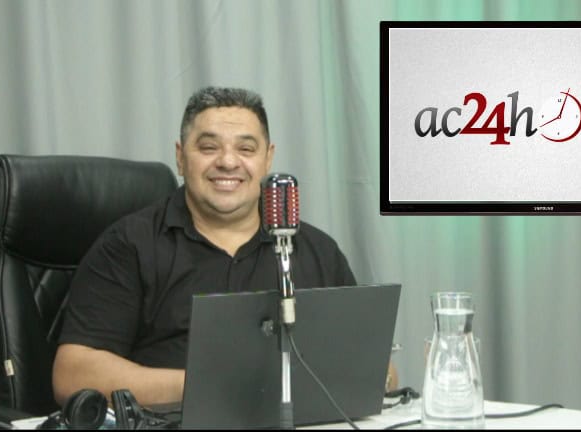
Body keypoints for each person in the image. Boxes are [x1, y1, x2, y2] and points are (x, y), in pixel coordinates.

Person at [52, 87, 365, 407]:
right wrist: (214, 386)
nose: (228, 162)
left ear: (267, 158)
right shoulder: (128, 246)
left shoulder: (317, 251)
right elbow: (73, 376)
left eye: (246, 148)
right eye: (209, 147)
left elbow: (377, 369)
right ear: (180, 157)